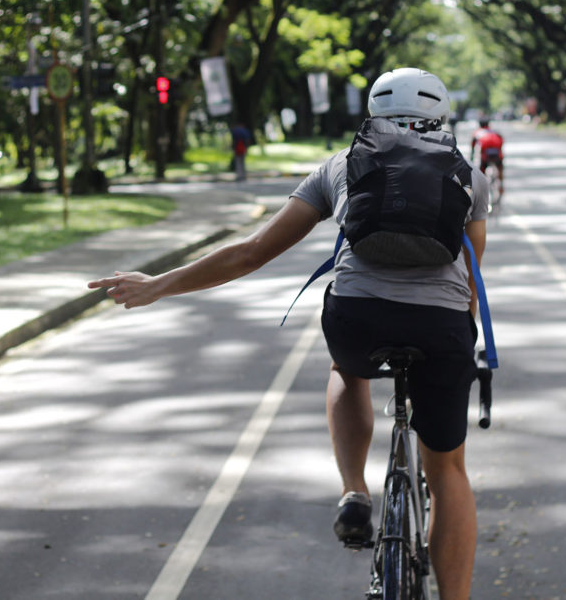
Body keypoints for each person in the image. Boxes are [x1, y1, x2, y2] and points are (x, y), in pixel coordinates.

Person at [88, 67, 489, 600]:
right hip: (439, 327)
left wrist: (159, 284)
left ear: (372, 114)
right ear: (443, 117)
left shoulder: (340, 167)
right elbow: (470, 278)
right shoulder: (470, 177)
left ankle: (354, 492)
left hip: (357, 316)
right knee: (447, 470)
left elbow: (253, 252)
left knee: (348, 367)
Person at [471, 118, 504, 195]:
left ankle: (481, 187)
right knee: (500, 168)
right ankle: (501, 185)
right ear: (488, 124)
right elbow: (501, 144)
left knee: (481, 170)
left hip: (486, 156)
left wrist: (472, 158)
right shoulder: (495, 133)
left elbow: (473, 148)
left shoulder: (477, 133)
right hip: (497, 155)